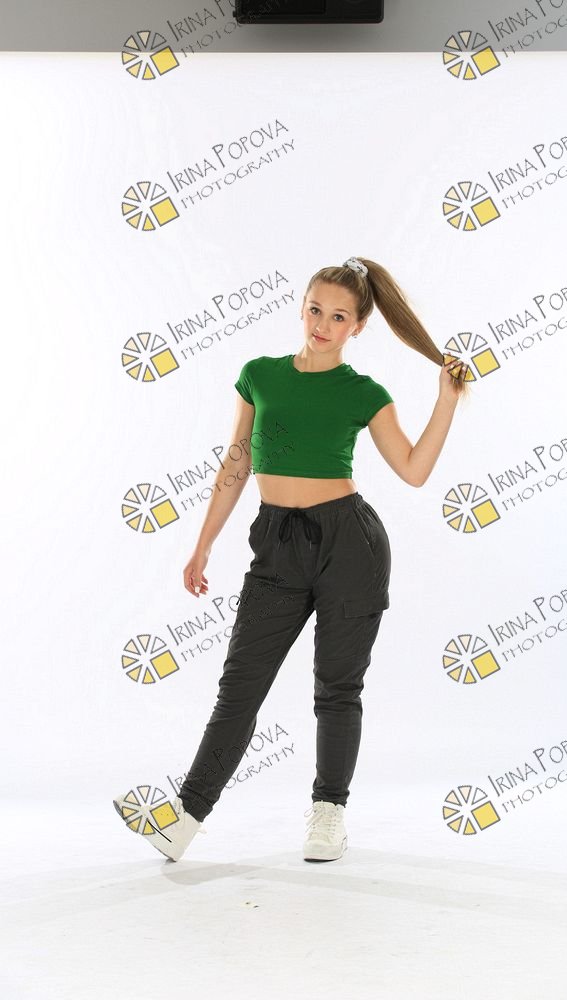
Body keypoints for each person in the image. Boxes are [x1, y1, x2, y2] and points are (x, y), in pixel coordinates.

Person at [113, 256, 469, 863]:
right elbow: (236, 464)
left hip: (350, 545)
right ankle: (185, 820)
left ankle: (328, 815)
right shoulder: (260, 376)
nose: (323, 325)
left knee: (337, 688)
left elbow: (413, 470)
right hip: (275, 544)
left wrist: (447, 400)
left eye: (339, 317)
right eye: (315, 310)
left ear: (358, 326)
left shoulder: (364, 393)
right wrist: (203, 544)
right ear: (301, 308)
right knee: (239, 688)